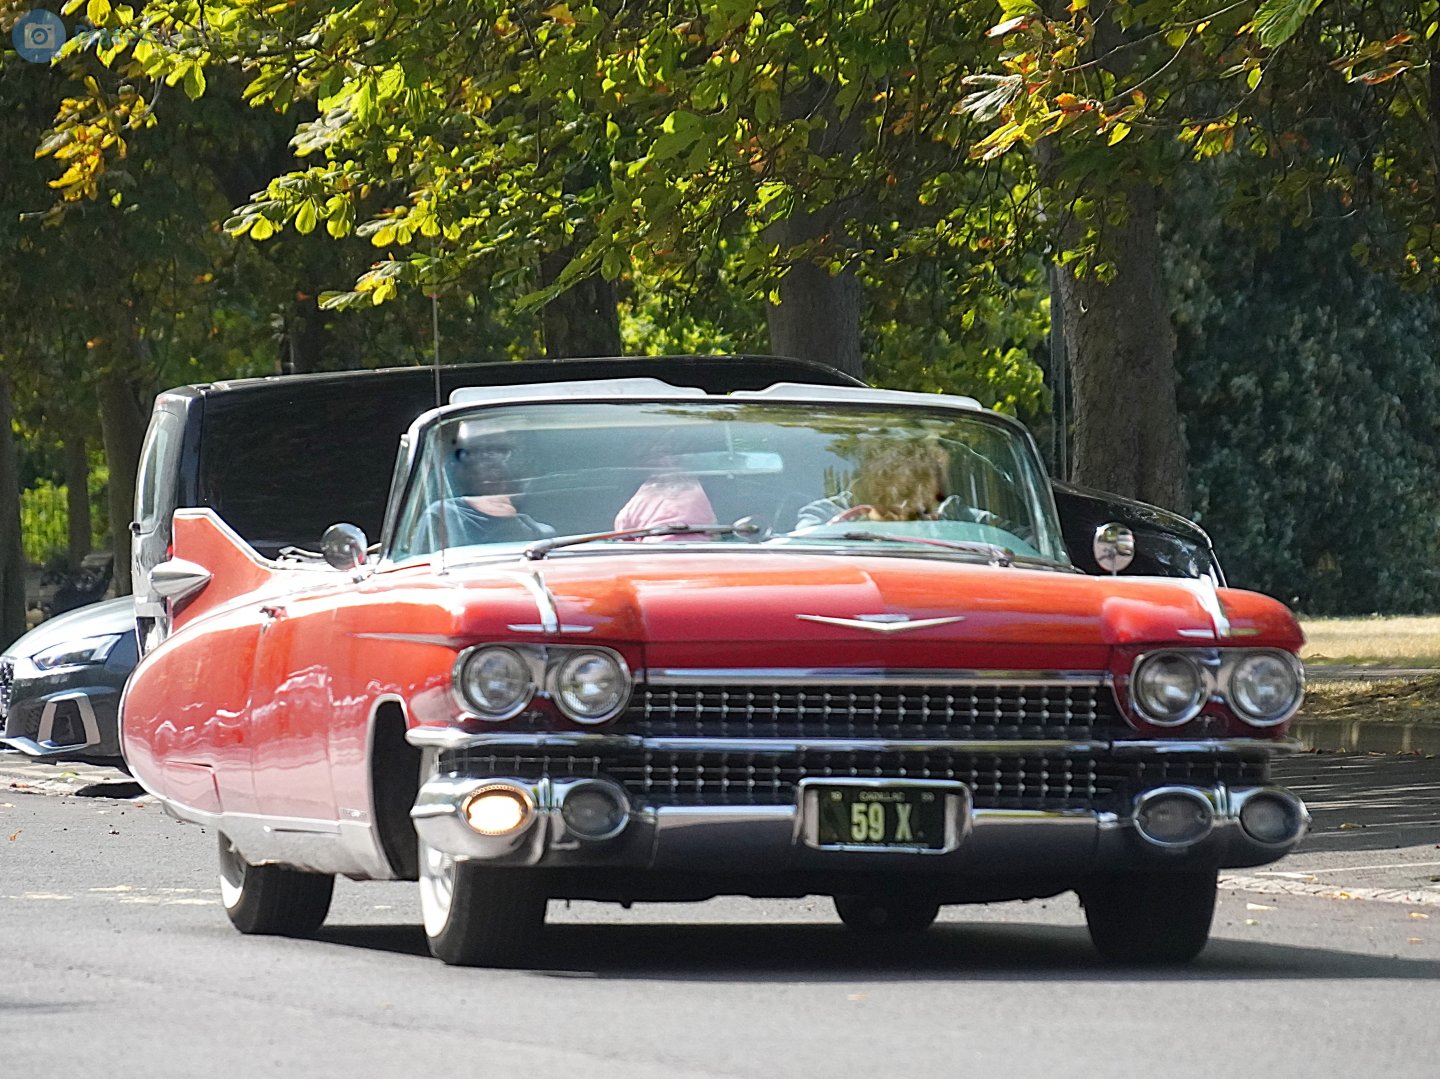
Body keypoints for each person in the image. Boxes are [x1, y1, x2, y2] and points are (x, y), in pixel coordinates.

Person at [795, 438, 1000, 530]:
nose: (900, 503)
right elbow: (805, 552)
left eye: (910, 491)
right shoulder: (826, 512)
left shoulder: (953, 514)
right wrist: (863, 521)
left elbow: (1012, 541)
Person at [410, 427, 555, 551]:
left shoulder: (540, 534)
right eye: (475, 452)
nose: (489, 461)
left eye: (501, 451)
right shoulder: (442, 515)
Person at [613, 427, 718, 539]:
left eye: (665, 453)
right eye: (651, 456)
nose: (661, 461)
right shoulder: (638, 495)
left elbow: (623, 531)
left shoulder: (704, 489)